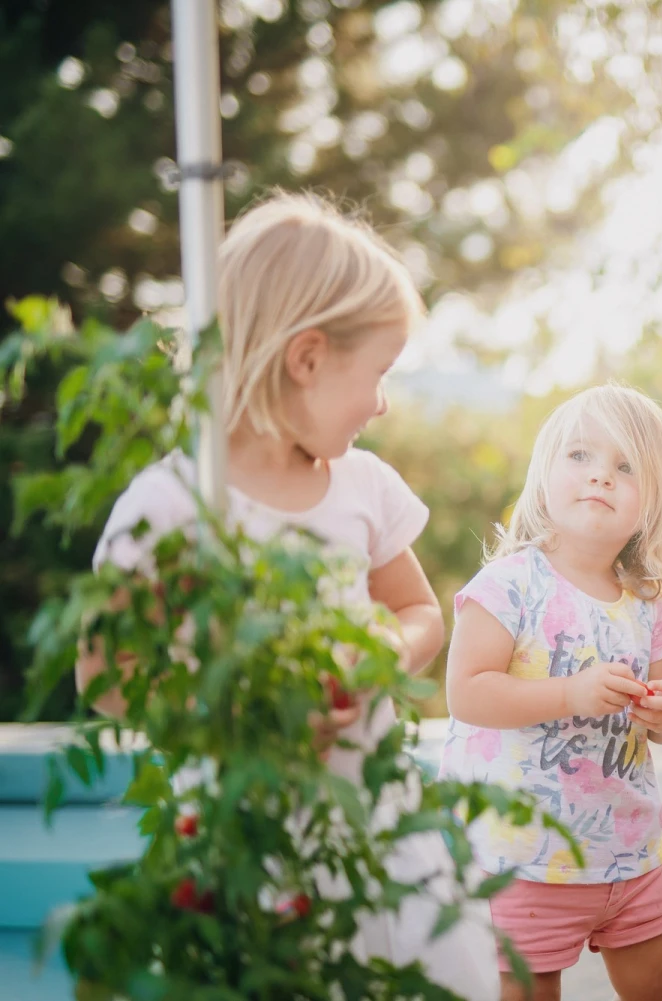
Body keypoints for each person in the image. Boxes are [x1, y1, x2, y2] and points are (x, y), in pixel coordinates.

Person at [80, 192, 498, 998]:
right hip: (249, 834)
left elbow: (420, 614)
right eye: (376, 373)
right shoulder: (171, 504)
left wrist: (380, 652)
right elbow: (103, 673)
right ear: (306, 358)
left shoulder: (363, 486)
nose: (382, 401)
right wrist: (234, 710)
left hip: (378, 820)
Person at [440, 384, 662, 1001]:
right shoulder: (510, 584)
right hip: (524, 852)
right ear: (544, 474)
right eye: (580, 456)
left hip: (627, 847)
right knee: (528, 989)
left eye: (625, 467)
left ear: (652, 500)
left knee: (655, 973)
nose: (601, 477)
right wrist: (569, 694)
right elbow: (467, 693)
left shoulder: (643, 600)